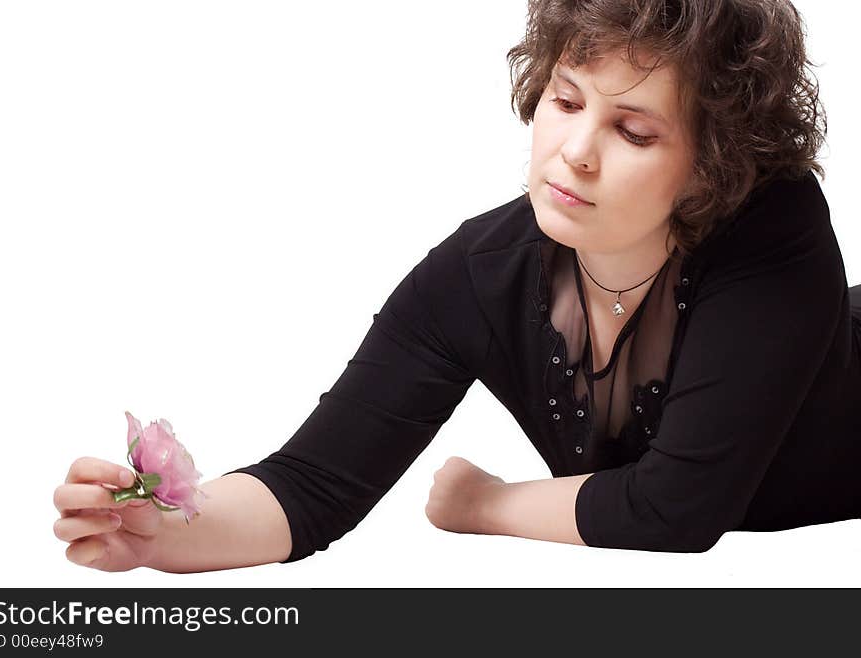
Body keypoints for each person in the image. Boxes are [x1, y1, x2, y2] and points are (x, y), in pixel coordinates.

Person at [53, 0, 860, 573]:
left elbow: (676, 511)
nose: (574, 150)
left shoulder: (774, 236)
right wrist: (162, 530)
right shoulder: (480, 274)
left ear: (712, 165)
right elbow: (309, 487)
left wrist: (489, 505)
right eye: (565, 100)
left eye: (635, 130)